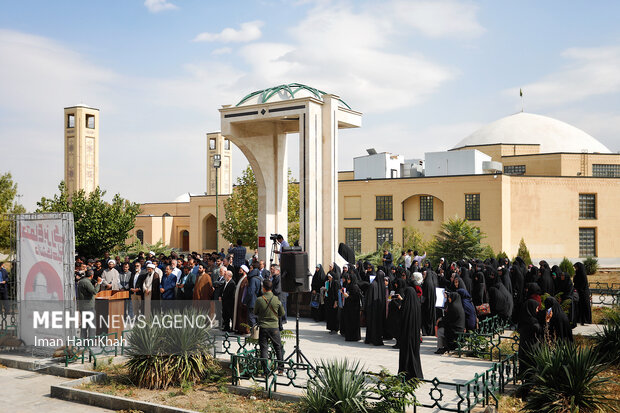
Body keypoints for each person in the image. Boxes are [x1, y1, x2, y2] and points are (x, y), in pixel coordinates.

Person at [254, 279, 285, 374]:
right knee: (278, 347)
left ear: (263, 288)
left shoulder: (259, 300)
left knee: (264, 348)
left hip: (263, 327)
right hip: (274, 327)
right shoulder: (276, 299)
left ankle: (265, 370)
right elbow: (282, 313)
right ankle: (280, 369)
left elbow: (255, 312)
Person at [398, 287, 424, 380]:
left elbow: (401, 319)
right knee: (414, 354)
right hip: (415, 336)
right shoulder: (417, 304)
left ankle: (405, 374)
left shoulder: (406, 306)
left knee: (406, 355)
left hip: (406, 335)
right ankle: (416, 374)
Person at [77, 269, 102, 338]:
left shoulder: (81, 281)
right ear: (92, 275)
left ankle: (83, 341)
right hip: (88, 307)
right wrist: (99, 283)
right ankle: (91, 343)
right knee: (91, 326)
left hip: (83, 307)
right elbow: (94, 292)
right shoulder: (86, 282)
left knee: (84, 326)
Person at [365, 270, 386, 346]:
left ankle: (372, 338)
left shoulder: (375, 284)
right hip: (375, 309)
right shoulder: (375, 285)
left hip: (375, 309)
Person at [341, 274, 362, 341]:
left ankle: (354, 337)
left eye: (349, 279)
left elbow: (356, 298)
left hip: (354, 308)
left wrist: (348, 296)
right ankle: (349, 336)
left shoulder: (355, 287)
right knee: (348, 322)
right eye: (348, 279)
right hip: (348, 307)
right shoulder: (349, 286)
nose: (348, 280)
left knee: (353, 322)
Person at [233, 265, 250, 334]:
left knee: (242, 316)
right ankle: (239, 329)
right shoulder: (241, 278)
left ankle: (243, 330)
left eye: (241, 269)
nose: (239, 270)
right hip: (238, 301)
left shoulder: (245, 279)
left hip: (242, 301)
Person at [245, 265, 263, 329]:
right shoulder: (259, 278)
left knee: (251, 317)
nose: (249, 270)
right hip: (257, 301)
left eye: (250, 268)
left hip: (252, 301)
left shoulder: (252, 279)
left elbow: (251, 291)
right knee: (256, 317)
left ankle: (255, 334)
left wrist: (245, 300)